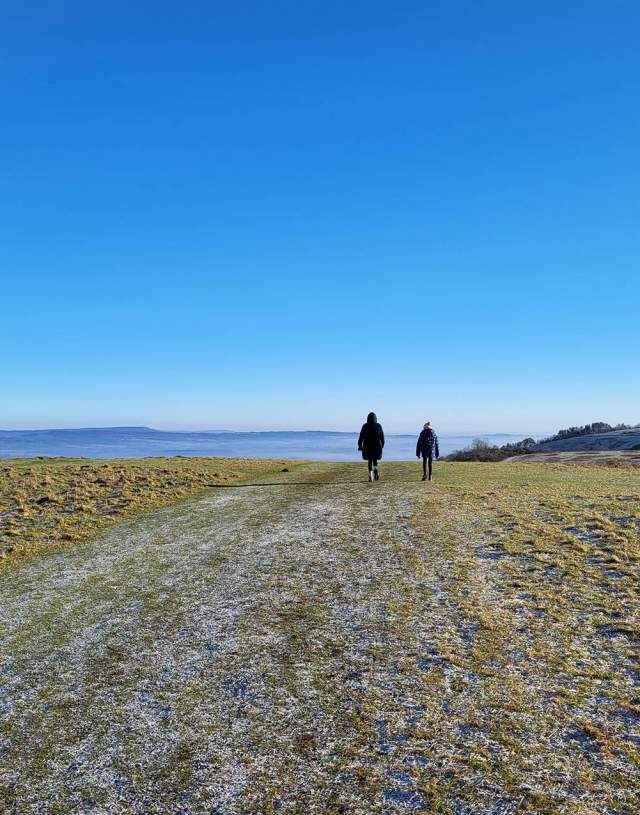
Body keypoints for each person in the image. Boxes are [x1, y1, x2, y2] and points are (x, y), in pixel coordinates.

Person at [358, 412, 385, 482]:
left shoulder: (365, 426)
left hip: (367, 447)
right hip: (377, 447)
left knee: (369, 461)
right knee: (375, 460)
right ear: (375, 418)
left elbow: (361, 437)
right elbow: (382, 436)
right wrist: (382, 444)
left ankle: (371, 475)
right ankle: (376, 471)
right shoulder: (378, 426)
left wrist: (359, 445)